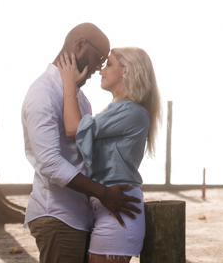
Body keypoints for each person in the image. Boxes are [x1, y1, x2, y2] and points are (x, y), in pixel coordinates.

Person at [22, 24, 142, 263]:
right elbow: (49, 163)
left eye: (104, 62)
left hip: (80, 216)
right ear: (79, 45)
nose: (99, 68)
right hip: (58, 216)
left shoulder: (78, 97)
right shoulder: (43, 93)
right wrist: (103, 193)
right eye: (99, 58)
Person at [57, 45, 160, 263]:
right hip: (110, 207)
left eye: (109, 64)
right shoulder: (117, 110)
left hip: (120, 210)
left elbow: (73, 128)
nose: (101, 71)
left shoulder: (131, 111)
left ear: (126, 70)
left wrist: (69, 83)